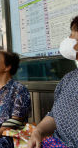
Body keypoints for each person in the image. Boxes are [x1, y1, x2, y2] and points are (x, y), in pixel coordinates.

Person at [28, 16, 78, 148]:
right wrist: (38, 131)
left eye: (72, 34)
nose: (69, 39)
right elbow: (54, 115)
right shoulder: (68, 79)